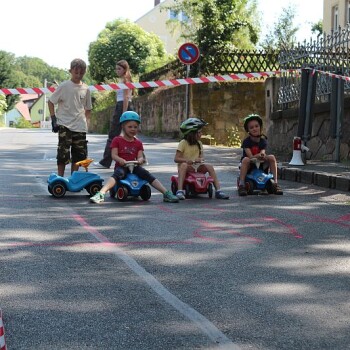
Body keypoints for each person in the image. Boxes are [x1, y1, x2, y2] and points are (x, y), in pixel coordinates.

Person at [90, 111, 179, 204]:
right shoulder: (117, 140)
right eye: (130, 127)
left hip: (134, 166)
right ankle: (101, 193)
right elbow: (114, 155)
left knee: (147, 175)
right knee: (117, 174)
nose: (133, 129)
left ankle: (166, 193)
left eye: (135, 127)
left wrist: (140, 160)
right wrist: (120, 160)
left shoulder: (138, 143)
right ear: (123, 127)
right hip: (122, 166)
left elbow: (140, 156)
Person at [48, 58, 92, 177]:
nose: (78, 75)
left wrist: (87, 124)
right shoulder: (64, 86)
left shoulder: (86, 89)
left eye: (81, 73)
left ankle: (73, 178)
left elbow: (88, 109)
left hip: (80, 126)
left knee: (79, 155)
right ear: (70, 71)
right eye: (76, 72)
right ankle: (60, 178)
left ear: (84, 72)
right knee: (63, 153)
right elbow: (51, 101)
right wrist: (54, 119)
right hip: (65, 125)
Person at [174, 117, 229, 200]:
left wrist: (200, 159)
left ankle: (218, 190)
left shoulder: (199, 143)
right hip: (187, 167)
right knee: (184, 165)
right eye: (199, 132)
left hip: (196, 166)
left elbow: (201, 157)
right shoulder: (183, 143)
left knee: (209, 166)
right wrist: (187, 160)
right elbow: (176, 158)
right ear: (192, 133)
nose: (201, 134)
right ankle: (180, 190)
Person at [94, 59, 133, 169]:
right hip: (123, 105)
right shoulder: (125, 80)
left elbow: (126, 97)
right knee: (130, 134)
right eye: (116, 69)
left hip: (122, 106)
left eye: (119, 69)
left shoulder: (125, 81)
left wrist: (124, 113)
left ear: (125, 69)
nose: (117, 71)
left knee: (113, 135)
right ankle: (140, 159)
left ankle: (105, 162)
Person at [238, 114, 283, 196]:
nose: (254, 129)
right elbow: (250, 156)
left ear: (260, 127)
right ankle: (242, 185)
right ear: (248, 130)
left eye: (256, 126)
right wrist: (258, 155)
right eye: (251, 127)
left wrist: (262, 155)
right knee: (245, 160)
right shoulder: (246, 142)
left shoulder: (263, 141)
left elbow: (263, 152)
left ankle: (275, 182)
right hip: (250, 165)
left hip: (260, 164)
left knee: (271, 157)